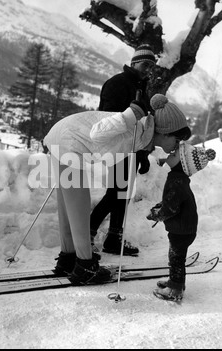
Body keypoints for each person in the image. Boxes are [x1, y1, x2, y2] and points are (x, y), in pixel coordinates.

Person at [44, 94, 192, 286]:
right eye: (177, 139)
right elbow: (97, 132)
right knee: (78, 208)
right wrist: (129, 115)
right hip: (69, 142)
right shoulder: (135, 126)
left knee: (67, 208)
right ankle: (85, 267)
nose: (178, 145)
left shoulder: (142, 134)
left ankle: (68, 259)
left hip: (63, 139)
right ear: (165, 132)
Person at [91, 44, 157, 256]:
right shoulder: (117, 84)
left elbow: (142, 127)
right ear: (135, 62)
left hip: (132, 151)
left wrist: (143, 154)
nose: (149, 69)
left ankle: (114, 239)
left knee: (123, 194)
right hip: (117, 148)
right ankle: (86, 233)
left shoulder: (142, 89)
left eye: (152, 66)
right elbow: (106, 120)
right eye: (146, 64)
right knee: (115, 194)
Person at [147, 142, 216, 301]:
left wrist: (157, 215)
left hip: (181, 230)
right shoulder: (179, 178)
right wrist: (161, 207)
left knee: (176, 259)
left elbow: (170, 208)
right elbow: (172, 202)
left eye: (174, 154)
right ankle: (175, 282)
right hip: (184, 228)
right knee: (176, 257)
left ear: (182, 162)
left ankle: (175, 289)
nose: (170, 153)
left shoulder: (176, 181)